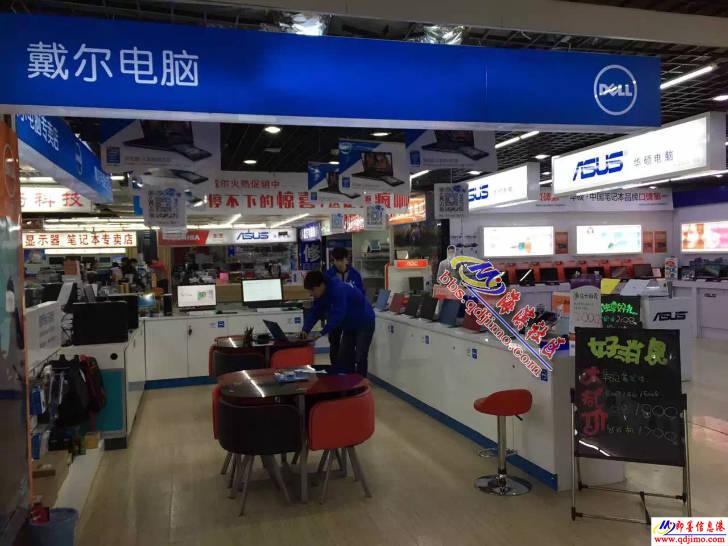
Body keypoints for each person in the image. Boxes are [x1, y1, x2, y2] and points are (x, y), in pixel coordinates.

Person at [301, 271, 375, 377]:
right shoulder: (321, 294)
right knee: (345, 357)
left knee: (360, 357)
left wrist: (321, 333)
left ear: (321, 285)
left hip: (364, 321)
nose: (311, 294)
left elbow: (338, 315)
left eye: (312, 290)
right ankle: (348, 383)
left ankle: (362, 383)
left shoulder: (338, 289)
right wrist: (305, 329)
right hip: (349, 324)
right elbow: (315, 312)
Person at [325, 247, 365, 367]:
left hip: (351, 316)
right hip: (334, 315)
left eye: (341, 260)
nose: (338, 263)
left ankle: (349, 369)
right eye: (336, 260)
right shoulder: (328, 276)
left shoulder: (355, 275)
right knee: (334, 343)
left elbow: (361, 293)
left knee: (350, 344)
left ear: (346, 259)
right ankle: (335, 369)